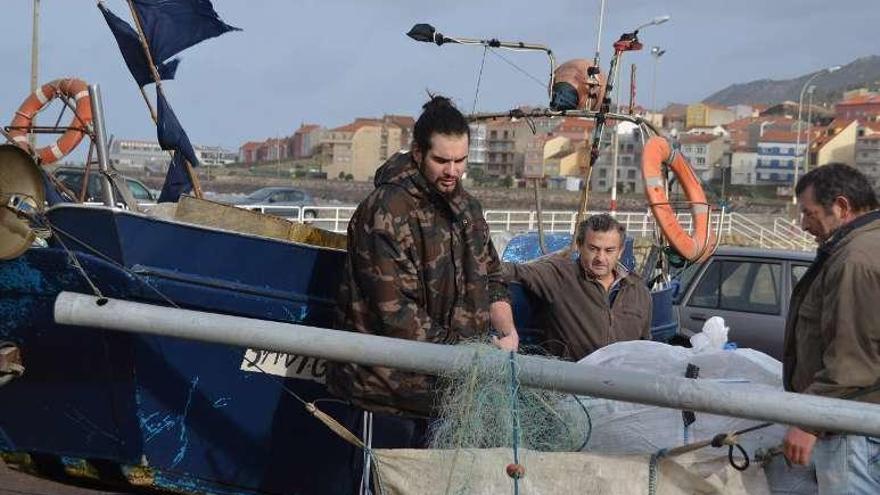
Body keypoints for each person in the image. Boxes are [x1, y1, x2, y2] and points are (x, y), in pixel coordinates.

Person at [326, 95, 518, 446]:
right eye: (441, 160)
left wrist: (508, 333)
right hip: (387, 396)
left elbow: (492, 277)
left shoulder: (467, 208)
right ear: (417, 154)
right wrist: (469, 354)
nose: (452, 171)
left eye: (460, 161)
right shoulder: (385, 211)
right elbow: (396, 313)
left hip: (452, 393)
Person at [781, 163, 880, 493]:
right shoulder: (867, 245)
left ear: (841, 206)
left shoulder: (855, 258)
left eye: (809, 214)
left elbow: (851, 361)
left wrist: (809, 423)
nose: (804, 225)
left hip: (851, 428)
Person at [504, 213, 652, 360]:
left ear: (620, 251)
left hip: (624, 381)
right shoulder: (559, 275)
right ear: (579, 246)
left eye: (609, 250)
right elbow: (511, 271)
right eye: (593, 249)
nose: (600, 258)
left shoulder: (638, 290)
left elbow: (647, 348)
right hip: (573, 380)